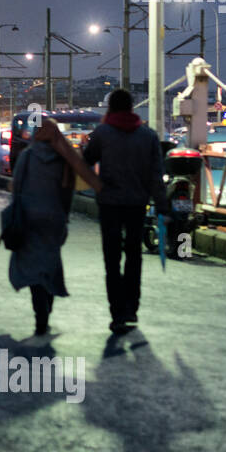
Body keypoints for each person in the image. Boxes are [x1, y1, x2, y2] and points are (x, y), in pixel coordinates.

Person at [82, 89, 170, 334]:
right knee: (134, 255)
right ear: (132, 107)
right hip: (136, 204)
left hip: (109, 203)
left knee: (112, 260)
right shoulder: (148, 135)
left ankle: (117, 312)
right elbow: (156, 175)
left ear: (111, 107)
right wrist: (162, 205)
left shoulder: (102, 133)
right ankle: (132, 308)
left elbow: (86, 161)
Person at [8, 119, 104, 337]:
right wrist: (63, 217)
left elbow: (16, 188)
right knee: (49, 265)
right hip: (54, 221)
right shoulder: (63, 160)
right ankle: (47, 308)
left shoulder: (27, 156)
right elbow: (68, 192)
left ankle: (40, 314)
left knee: (33, 267)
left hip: (30, 220)